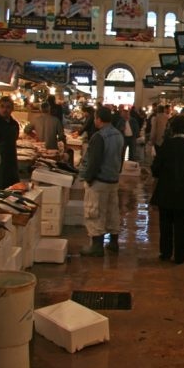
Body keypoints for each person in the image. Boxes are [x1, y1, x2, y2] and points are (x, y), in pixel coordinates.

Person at [151, 115, 184, 265]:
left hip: (166, 193)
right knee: (183, 227)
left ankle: (165, 253)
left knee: (166, 224)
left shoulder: (166, 145)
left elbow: (155, 169)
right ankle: (180, 257)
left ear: (172, 128)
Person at [78, 106, 123, 256]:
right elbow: (121, 158)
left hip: (100, 181)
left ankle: (96, 247)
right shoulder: (118, 135)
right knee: (112, 212)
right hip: (113, 180)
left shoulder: (99, 137)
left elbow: (94, 161)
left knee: (95, 212)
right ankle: (114, 243)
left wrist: (89, 178)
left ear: (98, 119)